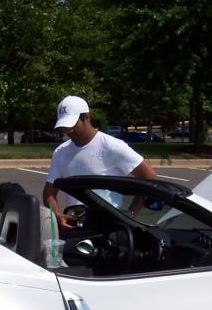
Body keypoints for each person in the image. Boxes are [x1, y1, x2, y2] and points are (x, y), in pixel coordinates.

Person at [42, 95, 157, 230]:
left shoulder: (111, 146)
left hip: (108, 225)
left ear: (86, 117)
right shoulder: (61, 152)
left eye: (72, 125)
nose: (69, 131)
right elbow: (49, 193)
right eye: (64, 127)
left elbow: (149, 177)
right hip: (74, 224)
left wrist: (131, 214)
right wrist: (56, 215)